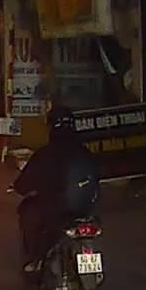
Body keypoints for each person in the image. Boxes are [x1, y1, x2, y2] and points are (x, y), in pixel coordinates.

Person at [11, 106, 101, 272]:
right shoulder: (85, 152)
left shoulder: (45, 154)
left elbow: (25, 183)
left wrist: (18, 187)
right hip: (85, 209)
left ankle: (36, 260)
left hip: (55, 209)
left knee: (29, 215)